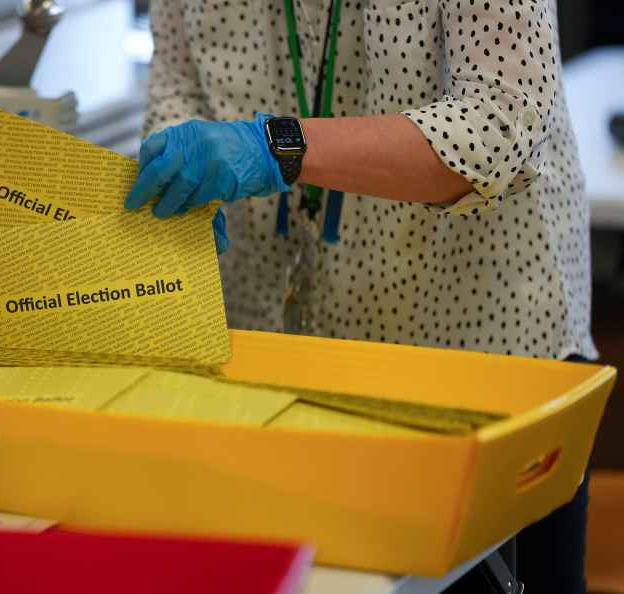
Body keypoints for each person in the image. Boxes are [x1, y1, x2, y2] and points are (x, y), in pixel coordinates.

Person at [124, 1, 595, 592]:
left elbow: (500, 124)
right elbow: (177, 80)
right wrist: (181, 170)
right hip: (276, 341)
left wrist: (278, 146)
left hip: (471, 333)